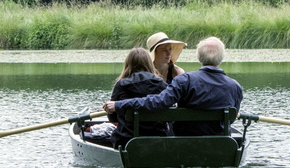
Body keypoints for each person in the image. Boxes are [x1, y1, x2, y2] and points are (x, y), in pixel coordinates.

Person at [103, 37, 243, 136]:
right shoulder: (235, 86)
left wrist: (119, 105)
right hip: (221, 144)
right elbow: (230, 120)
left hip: (185, 142)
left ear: (199, 57)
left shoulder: (184, 80)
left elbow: (157, 102)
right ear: (222, 57)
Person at [107, 47, 169, 149]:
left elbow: (113, 117)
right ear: (149, 63)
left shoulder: (121, 85)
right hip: (158, 140)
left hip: (126, 141)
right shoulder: (162, 85)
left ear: (128, 64)